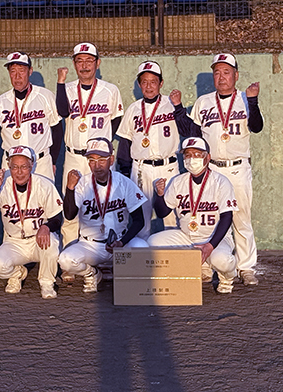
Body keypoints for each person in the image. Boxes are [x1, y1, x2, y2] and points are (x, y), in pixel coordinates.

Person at [171, 53, 263, 286]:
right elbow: (191, 132)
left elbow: (257, 126)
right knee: (209, 219)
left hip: (237, 167)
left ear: (236, 75)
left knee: (241, 218)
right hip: (211, 168)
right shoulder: (204, 102)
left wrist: (253, 101)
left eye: (226, 72)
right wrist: (178, 108)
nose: (221, 77)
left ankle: (246, 267)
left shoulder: (244, 98)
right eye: (217, 72)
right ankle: (206, 265)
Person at [148, 137, 238, 294]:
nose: (192, 159)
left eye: (197, 154)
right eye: (188, 155)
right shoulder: (178, 181)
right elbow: (163, 212)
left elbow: (227, 218)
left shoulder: (221, 182)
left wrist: (210, 245)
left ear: (207, 157)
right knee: (152, 243)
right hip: (187, 236)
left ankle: (227, 278)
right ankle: (203, 267)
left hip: (214, 238)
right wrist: (160, 195)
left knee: (222, 260)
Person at [58, 138, 147, 293]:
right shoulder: (82, 184)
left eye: (101, 160)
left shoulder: (124, 183)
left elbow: (139, 221)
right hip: (91, 245)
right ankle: (92, 274)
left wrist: (122, 242)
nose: (97, 165)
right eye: (92, 160)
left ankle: (119, 270)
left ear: (111, 160)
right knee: (65, 260)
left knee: (143, 248)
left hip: (120, 242)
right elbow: (69, 215)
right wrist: (70, 188)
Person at [56, 42, 124, 246]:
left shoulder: (110, 90)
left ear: (98, 63)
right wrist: (60, 82)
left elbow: (116, 120)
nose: (84, 65)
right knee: (71, 205)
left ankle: (108, 252)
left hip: (99, 158)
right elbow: (62, 112)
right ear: (74, 64)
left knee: (106, 204)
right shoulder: (67, 89)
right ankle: (70, 251)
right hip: (74, 156)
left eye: (89, 60)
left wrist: (103, 144)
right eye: (79, 61)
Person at [0, 146, 63, 299]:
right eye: (15, 167)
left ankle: (47, 283)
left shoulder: (44, 185)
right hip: (14, 242)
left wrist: (46, 226)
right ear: (9, 167)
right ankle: (17, 273)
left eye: (24, 167)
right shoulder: (2, 185)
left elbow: (57, 219)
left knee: (51, 242)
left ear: (31, 166)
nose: (19, 172)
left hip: (37, 240)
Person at [116, 61, 180, 238]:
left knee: (171, 219)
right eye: (144, 82)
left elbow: (186, 128)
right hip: (141, 168)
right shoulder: (134, 109)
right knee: (141, 221)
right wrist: (125, 171)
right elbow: (125, 141)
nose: (149, 86)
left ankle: (174, 253)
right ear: (139, 84)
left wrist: (179, 107)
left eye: (153, 82)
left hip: (168, 167)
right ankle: (141, 254)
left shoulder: (171, 104)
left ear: (161, 83)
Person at [0, 52, 62, 183]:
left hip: (40, 162)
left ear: (30, 71)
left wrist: (53, 160)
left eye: (21, 70)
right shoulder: (1, 101)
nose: (17, 76)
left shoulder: (45, 96)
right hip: (11, 164)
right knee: (10, 196)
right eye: (13, 71)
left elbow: (57, 130)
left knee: (43, 196)